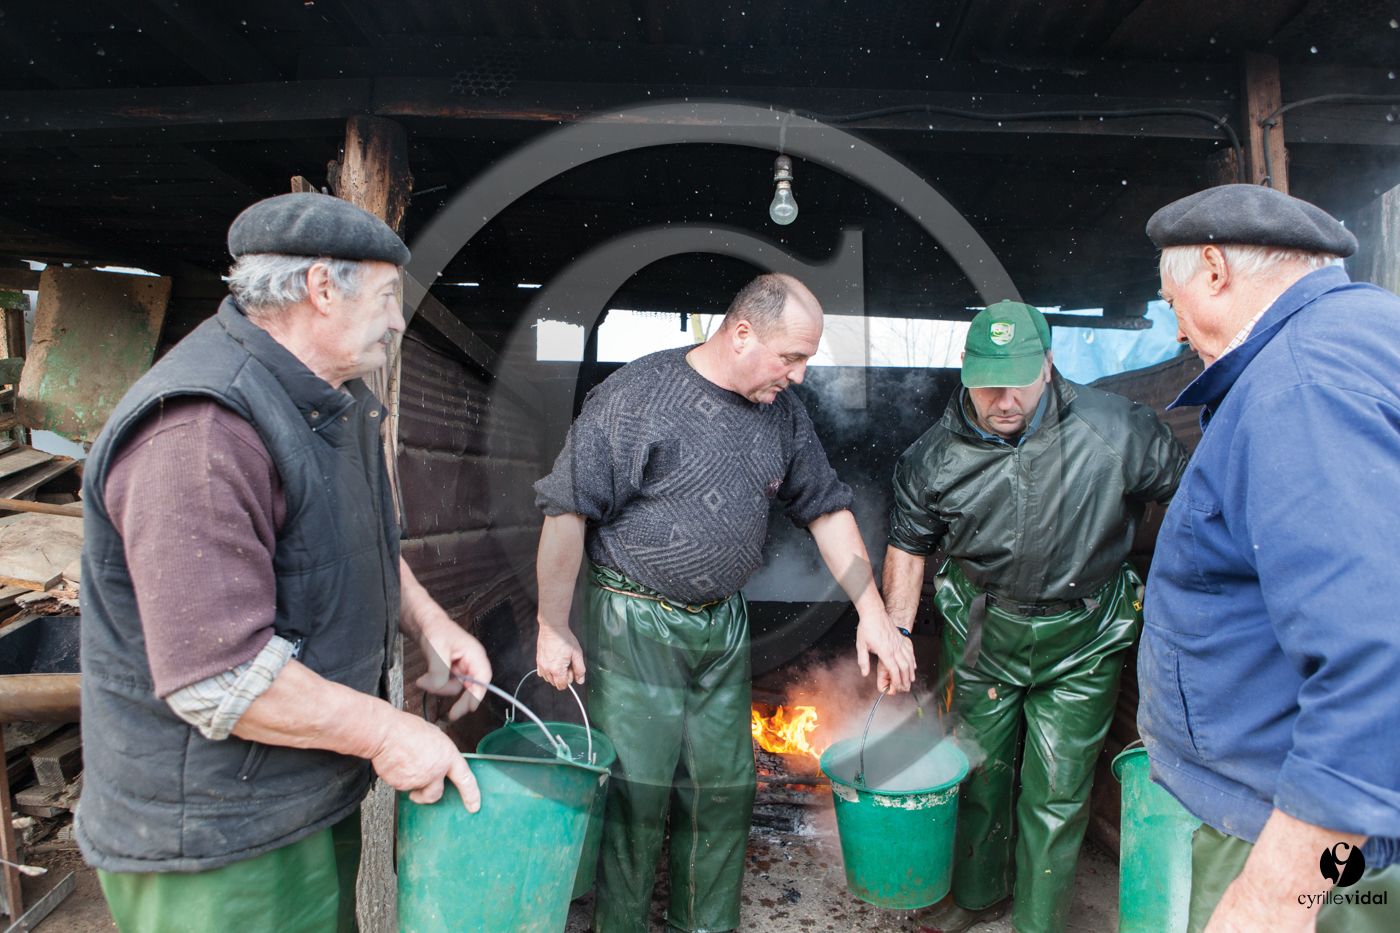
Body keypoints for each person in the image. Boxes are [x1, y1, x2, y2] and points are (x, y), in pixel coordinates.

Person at [77, 193, 492, 933]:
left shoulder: (333, 400)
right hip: (215, 837)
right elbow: (217, 676)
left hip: (299, 793)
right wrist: (391, 732)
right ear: (321, 289)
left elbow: (361, 546)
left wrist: (430, 622)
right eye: (391, 298)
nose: (399, 322)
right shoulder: (203, 428)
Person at [532, 273, 916, 933]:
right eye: (790, 356)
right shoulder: (637, 396)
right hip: (636, 619)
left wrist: (876, 617)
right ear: (740, 333)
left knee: (726, 792)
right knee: (637, 796)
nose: (798, 376)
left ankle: (703, 925)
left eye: (806, 360)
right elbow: (567, 510)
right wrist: (551, 624)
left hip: (723, 623)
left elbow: (826, 512)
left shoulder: (783, 415)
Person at [1139, 184, 1400, 933]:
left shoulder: (1300, 383)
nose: (1176, 325)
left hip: (1319, 844)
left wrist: (1271, 899)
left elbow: (1376, 655)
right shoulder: (1367, 330)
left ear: (1214, 271)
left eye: (1171, 297)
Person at [881, 301, 1189, 933]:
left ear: (1049, 363)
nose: (1002, 398)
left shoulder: (1119, 430)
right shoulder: (932, 458)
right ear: (965, 371)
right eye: (987, 381)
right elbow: (908, 547)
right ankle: (976, 894)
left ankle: (1038, 920)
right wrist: (899, 632)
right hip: (982, 630)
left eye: (1018, 378)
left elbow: (1196, 501)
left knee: (1057, 792)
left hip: (1085, 635)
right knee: (977, 773)